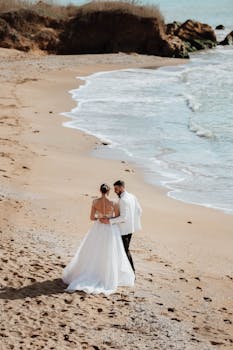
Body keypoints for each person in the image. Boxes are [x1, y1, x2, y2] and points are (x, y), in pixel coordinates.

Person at [62, 183, 135, 296]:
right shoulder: (114, 202)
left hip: (98, 227)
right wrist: (109, 219)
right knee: (109, 252)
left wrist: (100, 218)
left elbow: (92, 218)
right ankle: (107, 275)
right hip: (110, 229)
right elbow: (118, 217)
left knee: (94, 251)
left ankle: (92, 273)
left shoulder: (95, 202)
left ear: (100, 191)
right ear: (109, 191)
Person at [100, 180, 142, 273]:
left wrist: (109, 221)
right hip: (130, 228)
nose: (115, 191)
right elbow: (139, 210)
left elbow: (123, 218)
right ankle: (125, 271)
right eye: (114, 189)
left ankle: (132, 272)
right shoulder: (132, 196)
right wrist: (133, 222)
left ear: (122, 187)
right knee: (123, 251)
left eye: (116, 189)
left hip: (123, 230)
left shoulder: (123, 200)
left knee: (125, 251)